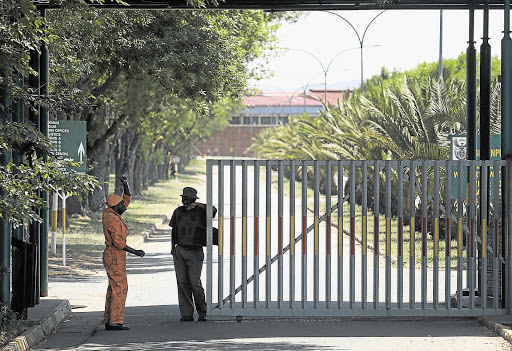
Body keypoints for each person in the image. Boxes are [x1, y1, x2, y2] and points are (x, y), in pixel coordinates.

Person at [102, 175, 145, 331]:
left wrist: (125, 184)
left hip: (115, 255)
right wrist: (136, 251)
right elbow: (119, 243)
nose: (125, 206)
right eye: (122, 204)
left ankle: (109, 318)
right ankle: (115, 321)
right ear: (115, 206)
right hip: (114, 255)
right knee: (120, 287)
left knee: (113, 287)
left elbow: (126, 199)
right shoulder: (112, 219)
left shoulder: (113, 213)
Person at [169, 187, 217, 322]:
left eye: (187, 198)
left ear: (193, 199)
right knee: (182, 282)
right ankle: (186, 314)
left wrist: (199, 205)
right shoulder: (178, 212)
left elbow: (213, 210)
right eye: (183, 197)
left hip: (195, 251)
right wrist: (173, 248)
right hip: (180, 250)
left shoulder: (201, 211)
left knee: (194, 282)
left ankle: (203, 312)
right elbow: (174, 231)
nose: (184, 200)